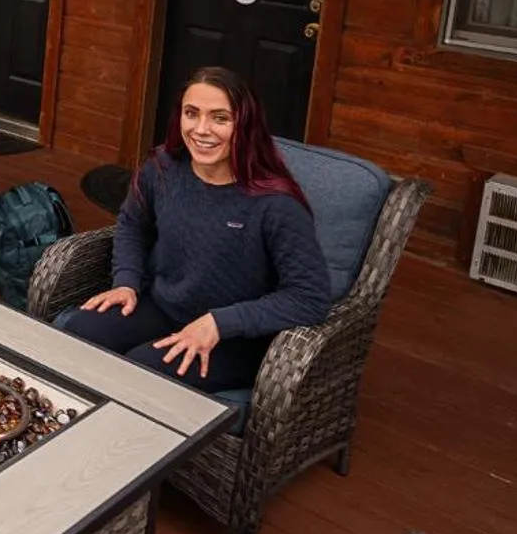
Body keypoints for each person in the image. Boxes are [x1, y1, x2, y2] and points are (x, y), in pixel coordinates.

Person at [57, 67, 331, 393]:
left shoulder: (276, 204)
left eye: (220, 118)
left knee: (140, 374)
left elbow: (309, 297)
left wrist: (220, 322)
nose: (201, 129)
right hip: (164, 306)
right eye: (191, 114)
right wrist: (126, 280)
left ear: (245, 125)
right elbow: (133, 223)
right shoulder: (163, 167)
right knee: (78, 333)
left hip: (234, 339)